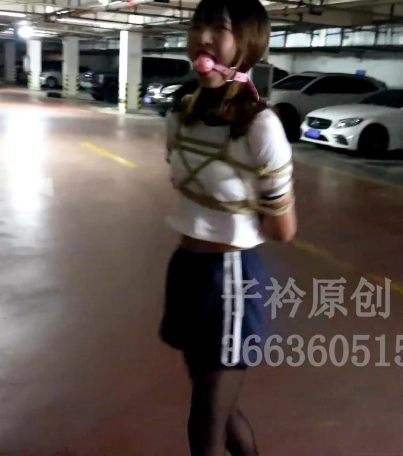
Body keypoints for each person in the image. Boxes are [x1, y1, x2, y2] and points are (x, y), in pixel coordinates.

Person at [159, 0, 297, 454]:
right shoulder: (179, 115)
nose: (202, 38)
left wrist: (255, 198)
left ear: (248, 45)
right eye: (197, 26)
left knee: (207, 422)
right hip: (186, 270)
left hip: (232, 279)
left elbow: (283, 230)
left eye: (218, 29)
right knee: (220, 407)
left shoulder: (261, 127)